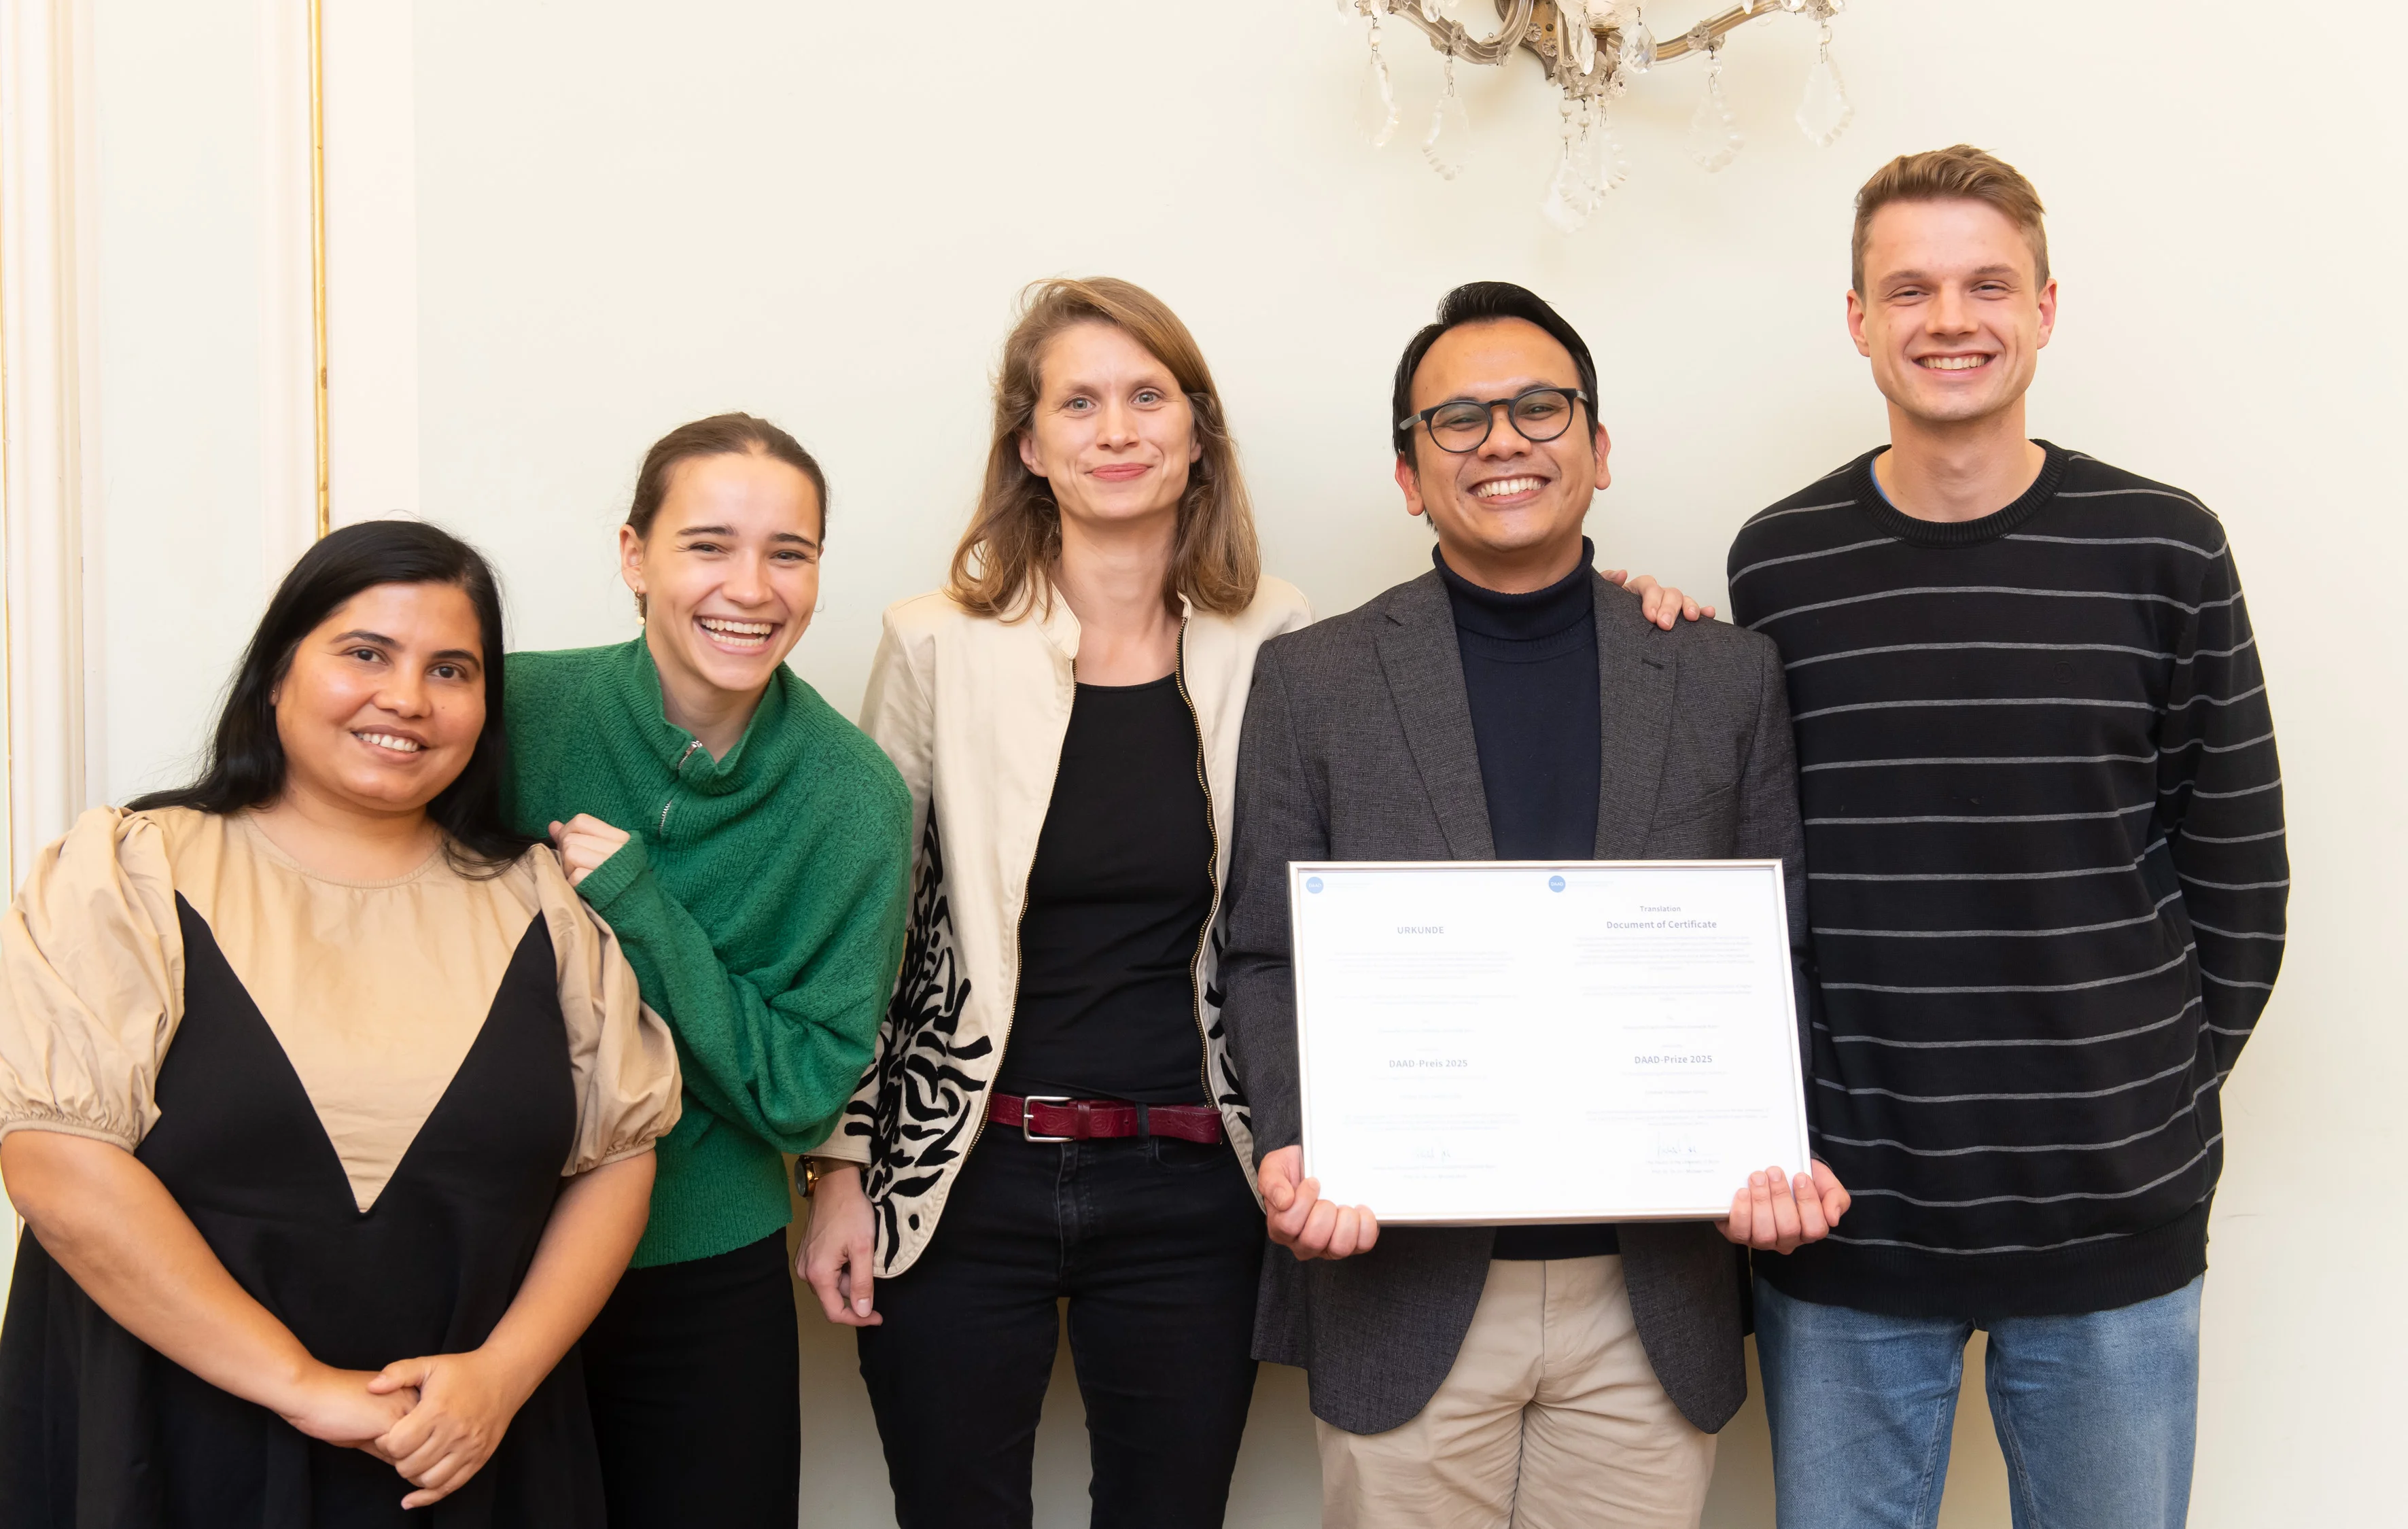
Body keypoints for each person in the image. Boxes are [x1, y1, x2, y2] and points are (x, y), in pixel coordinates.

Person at [1218, 281, 1850, 1529]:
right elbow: (1262, 953)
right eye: (1456, 420)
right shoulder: (1313, 678)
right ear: (1408, 473)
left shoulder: (1726, 674)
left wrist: (1780, 1142)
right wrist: (1303, 1140)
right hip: (1397, 1277)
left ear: (1598, 449)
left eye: (1538, 407)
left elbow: (1775, 948)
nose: (1502, 439)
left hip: (1651, 1288)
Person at [1724, 147, 2286, 1529]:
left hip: (2112, 1212)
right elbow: (1756, 872)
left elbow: (2238, 872)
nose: (1948, 318)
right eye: (1906, 288)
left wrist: (2131, 1096)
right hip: (1848, 1211)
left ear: (2045, 307)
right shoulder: (1775, 564)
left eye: (1986, 283)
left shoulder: (2164, 548)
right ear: (1856, 320)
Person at [0, 521, 682, 1526]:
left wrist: (500, 1375)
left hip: (464, 1454)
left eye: (450, 669)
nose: (406, 697)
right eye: (365, 653)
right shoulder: (132, 869)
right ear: (277, 671)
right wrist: (298, 1381)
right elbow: (57, 1163)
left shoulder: (543, 905)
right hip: (171, 1446)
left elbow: (618, 1157)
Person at [783, 277, 1302, 1528]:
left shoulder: (1280, 638)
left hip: (1196, 1180)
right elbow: (874, 934)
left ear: (1196, 432)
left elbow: (1306, 914)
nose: (1115, 430)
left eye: (1145, 396)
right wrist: (840, 1168)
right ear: (1029, 443)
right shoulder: (933, 644)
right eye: (1078, 402)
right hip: (963, 1176)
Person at [503, 413, 913, 1528]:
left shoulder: (854, 799)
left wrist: (637, 903)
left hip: (697, 1264)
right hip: (478, 1245)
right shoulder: (503, 706)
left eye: (790, 551)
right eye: (708, 545)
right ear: (633, 556)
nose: (753, 585)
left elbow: (799, 1091)